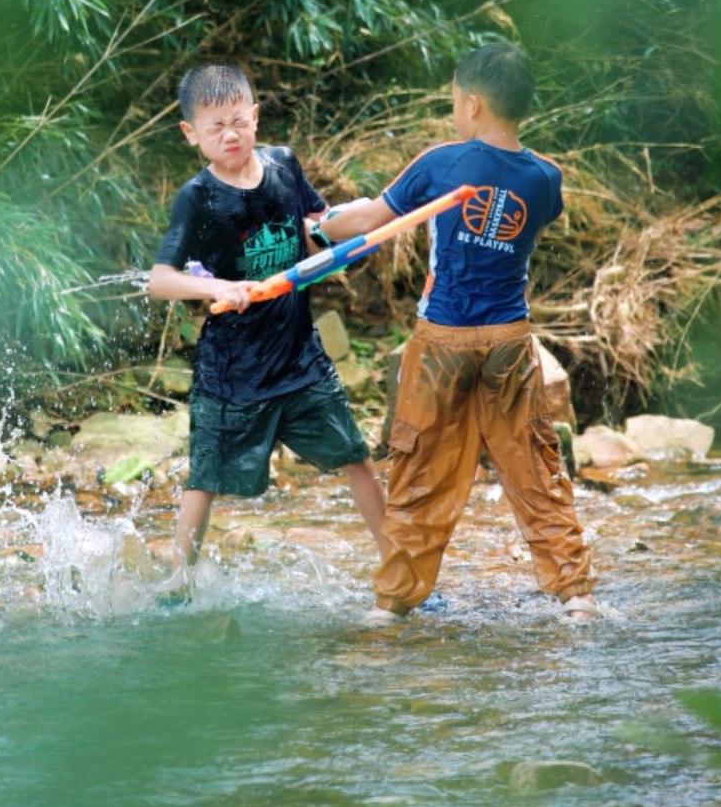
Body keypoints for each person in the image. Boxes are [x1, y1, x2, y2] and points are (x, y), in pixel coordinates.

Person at [311, 42, 600, 622]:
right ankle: (578, 597)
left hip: (442, 341)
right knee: (536, 469)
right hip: (509, 343)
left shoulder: (441, 163)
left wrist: (317, 225)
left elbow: (365, 222)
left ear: (473, 104)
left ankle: (392, 605)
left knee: (420, 471)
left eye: (453, 100)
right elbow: (527, 219)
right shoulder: (546, 178)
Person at [147, 62, 386, 598]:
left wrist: (357, 228)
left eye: (238, 121)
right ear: (191, 133)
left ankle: (400, 567)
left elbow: (315, 228)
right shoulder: (197, 197)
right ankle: (179, 583)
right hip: (231, 371)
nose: (230, 134)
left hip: (300, 358)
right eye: (215, 127)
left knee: (356, 458)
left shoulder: (283, 166)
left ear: (255, 116)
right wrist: (218, 288)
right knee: (204, 480)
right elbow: (160, 280)